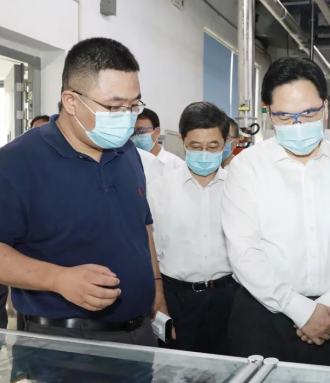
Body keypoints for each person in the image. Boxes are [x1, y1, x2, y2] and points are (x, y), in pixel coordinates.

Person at [0, 37, 170, 346]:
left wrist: (156, 287)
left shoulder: (127, 152)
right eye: (114, 106)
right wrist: (57, 279)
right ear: (71, 101)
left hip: (139, 332)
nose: (127, 117)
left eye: (133, 105)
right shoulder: (16, 162)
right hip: (61, 341)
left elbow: (141, 226)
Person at [222, 57, 330, 367]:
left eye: (309, 113)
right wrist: (302, 311)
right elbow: (244, 253)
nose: (298, 125)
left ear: (325, 107)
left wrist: (328, 307)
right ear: (268, 112)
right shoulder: (247, 168)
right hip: (263, 316)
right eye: (284, 116)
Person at [148, 102, 238, 355]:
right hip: (176, 297)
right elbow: (150, 250)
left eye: (213, 147)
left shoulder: (239, 189)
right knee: (176, 369)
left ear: (225, 144)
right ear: (183, 142)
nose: (204, 153)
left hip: (229, 295)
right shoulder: (159, 190)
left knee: (229, 367)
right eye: (196, 147)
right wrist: (158, 299)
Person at [131, 107, 184, 182]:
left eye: (142, 131)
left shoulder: (177, 165)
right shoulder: (129, 163)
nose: (136, 137)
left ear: (157, 132)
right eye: (132, 133)